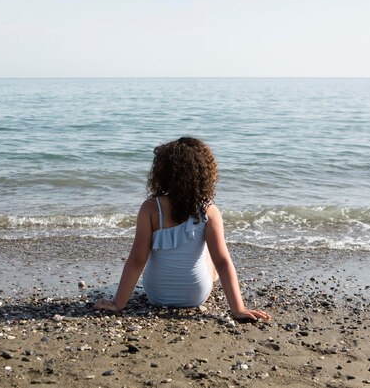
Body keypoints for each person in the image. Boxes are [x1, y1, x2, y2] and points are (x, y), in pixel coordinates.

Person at [94, 137, 270, 321]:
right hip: (195, 294)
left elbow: (138, 260)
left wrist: (118, 303)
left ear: (161, 174)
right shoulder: (208, 211)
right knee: (211, 255)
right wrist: (238, 309)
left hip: (157, 294)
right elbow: (223, 262)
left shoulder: (151, 208)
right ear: (205, 175)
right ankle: (210, 279)